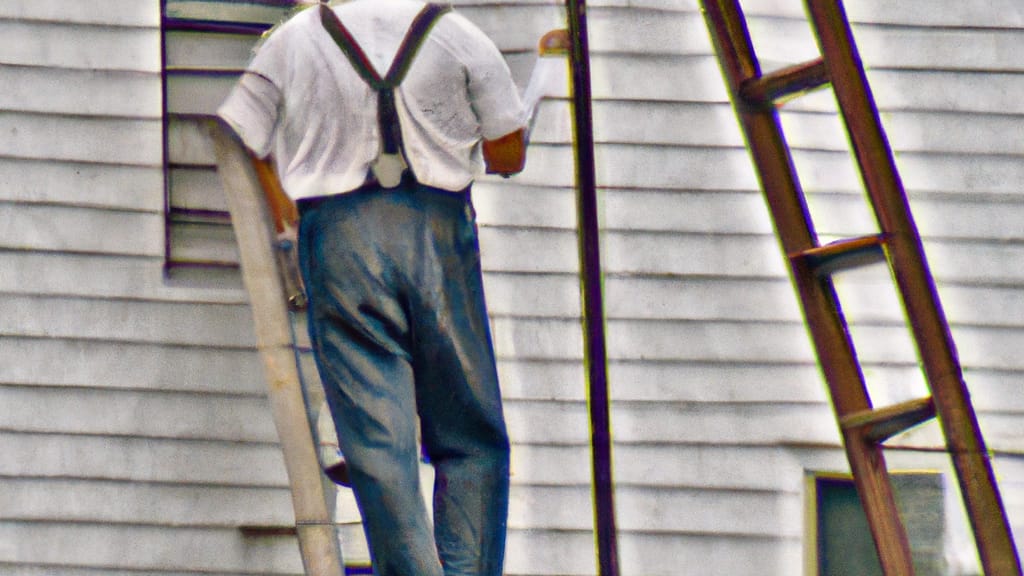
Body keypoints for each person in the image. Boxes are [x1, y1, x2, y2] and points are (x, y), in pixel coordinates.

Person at [216, 0, 526, 574]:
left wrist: (285, 208)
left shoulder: (293, 40)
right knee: (470, 434)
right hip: (438, 234)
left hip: (338, 238)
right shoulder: (458, 35)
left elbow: (239, 130)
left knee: (377, 444)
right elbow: (509, 149)